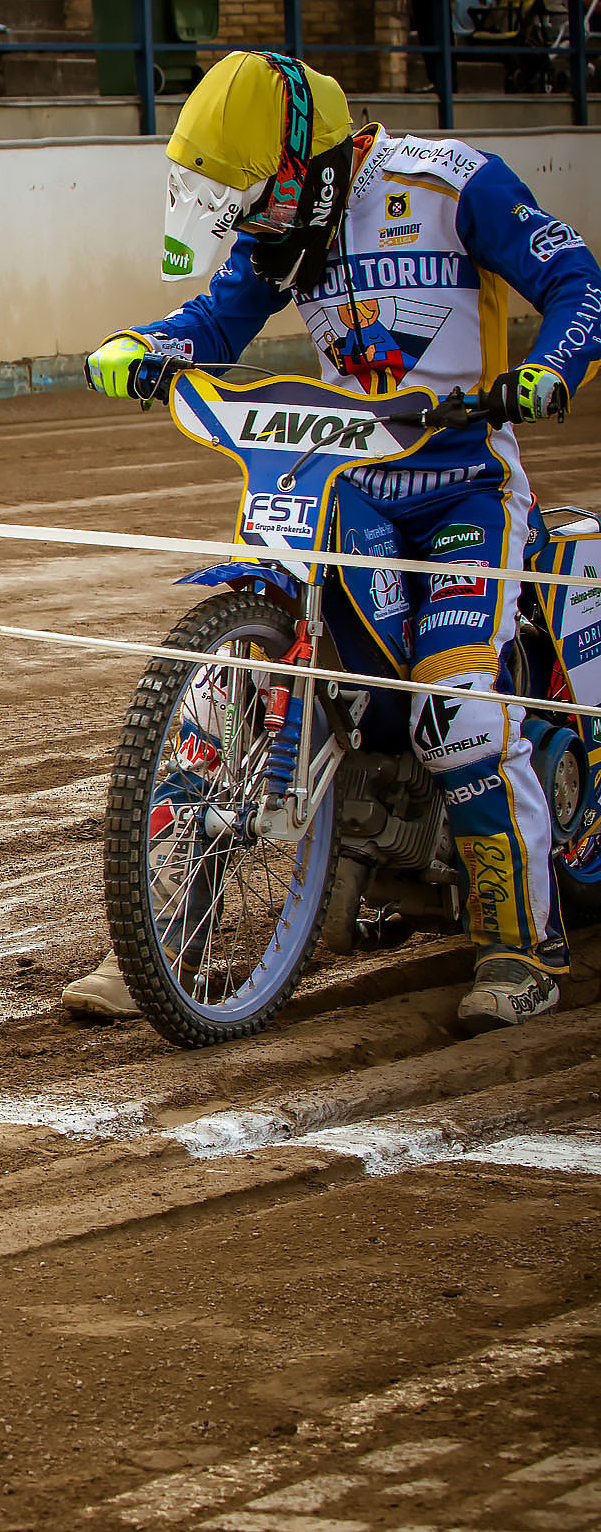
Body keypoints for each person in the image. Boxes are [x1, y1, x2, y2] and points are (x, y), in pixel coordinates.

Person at [75, 52, 601, 1034]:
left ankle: (517, 948)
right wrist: (148, 346)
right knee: (242, 682)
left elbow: (577, 278)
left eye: (261, 196)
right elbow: (218, 315)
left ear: (313, 168)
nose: (252, 221)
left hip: (464, 489)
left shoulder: (450, 184)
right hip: (342, 486)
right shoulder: (288, 230)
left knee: (455, 705)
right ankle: (161, 934)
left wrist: (545, 369)